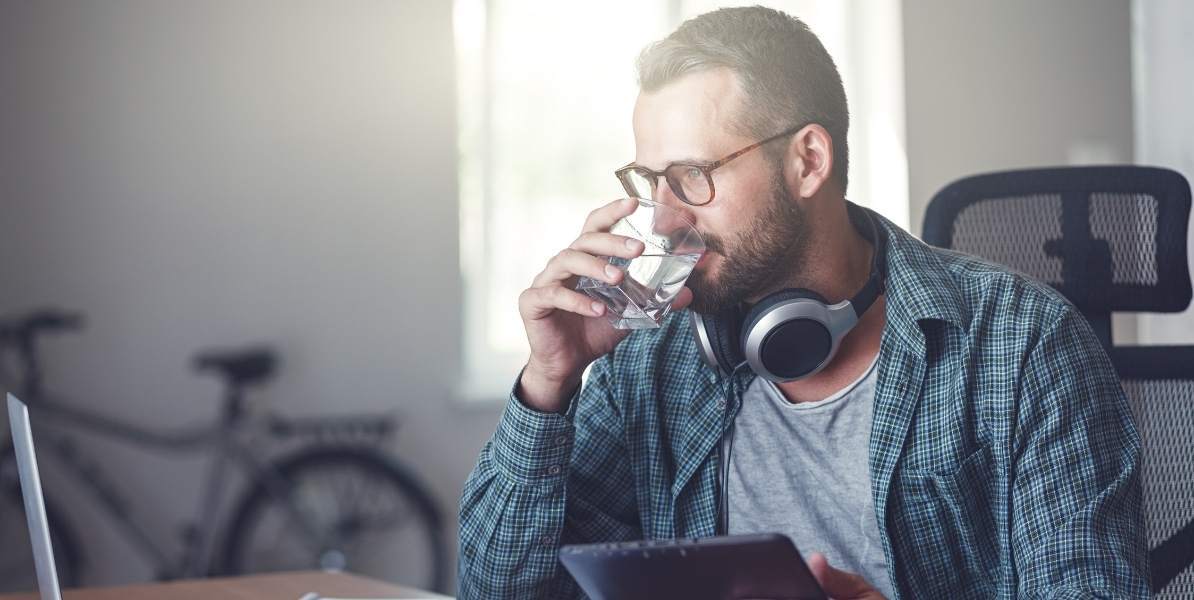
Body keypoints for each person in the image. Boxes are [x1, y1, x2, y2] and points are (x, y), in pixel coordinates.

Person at [458, 6, 1148, 599]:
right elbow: (498, 590)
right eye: (650, 181)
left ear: (809, 161)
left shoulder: (1023, 342)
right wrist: (548, 383)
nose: (664, 218)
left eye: (691, 175)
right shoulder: (649, 355)